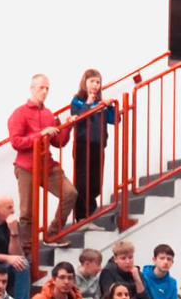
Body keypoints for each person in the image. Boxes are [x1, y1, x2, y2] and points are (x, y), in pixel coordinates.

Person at [8, 75, 78, 248]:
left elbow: (58, 142)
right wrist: (40, 134)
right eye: (41, 87)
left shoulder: (49, 114)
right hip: (26, 167)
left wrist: (68, 126)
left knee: (70, 193)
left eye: (47, 88)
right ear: (32, 88)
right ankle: (27, 249)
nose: (45, 91)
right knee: (27, 212)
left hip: (47, 165)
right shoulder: (19, 113)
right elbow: (16, 142)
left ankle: (53, 234)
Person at [69, 69, 117, 222]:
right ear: (85, 83)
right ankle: (81, 216)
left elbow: (115, 120)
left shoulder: (100, 103)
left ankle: (90, 213)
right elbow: (78, 118)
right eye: (92, 81)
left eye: (98, 82)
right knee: (82, 181)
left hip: (98, 146)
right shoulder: (77, 101)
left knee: (96, 182)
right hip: (83, 146)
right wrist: (88, 103)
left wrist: (110, 106)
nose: (95, 85)